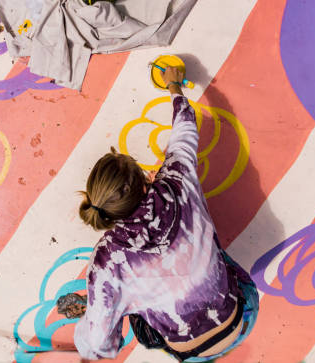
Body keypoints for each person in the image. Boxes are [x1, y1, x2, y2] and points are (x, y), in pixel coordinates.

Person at [71, 65, 259, 361]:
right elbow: (185, 127)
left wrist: (94, 341)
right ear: (145, 181)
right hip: (242, 317)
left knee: (122, 309)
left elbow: (97, 342)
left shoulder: (107, 260)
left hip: (191, 351)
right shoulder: (177, 180)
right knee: (204, 249)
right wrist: (174, 86)